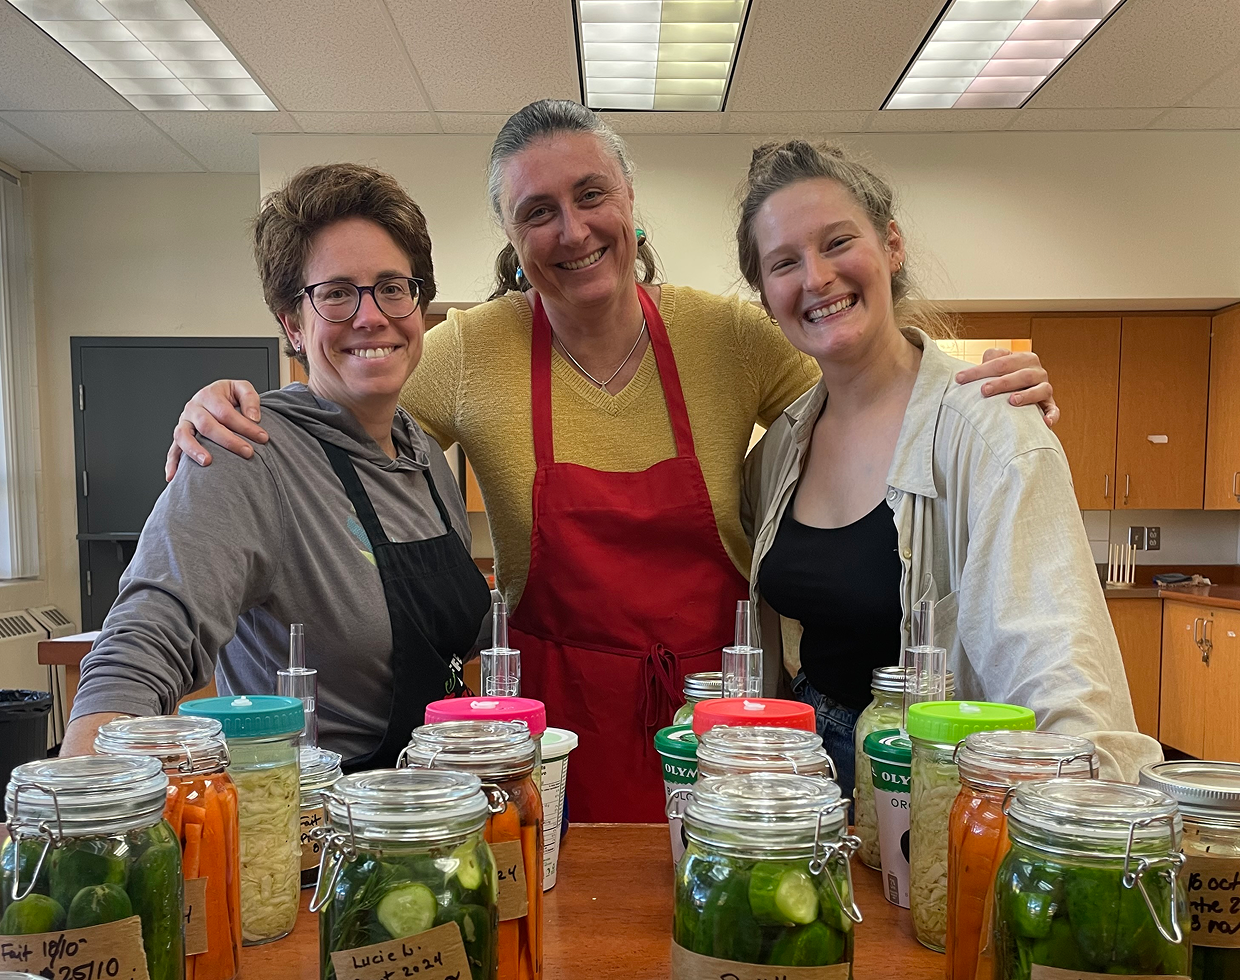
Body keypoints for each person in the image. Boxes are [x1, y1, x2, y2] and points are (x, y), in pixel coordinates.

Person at [164, 101, 1057, 821]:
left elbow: (865, 382)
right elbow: (352, 411)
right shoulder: (472, 348)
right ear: (512, 239)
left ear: (630, 200)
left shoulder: (729, 335)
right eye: (536, 212)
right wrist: (237, 405)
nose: (572, 229)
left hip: (722, 726)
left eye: (592, 195)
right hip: (555, 740)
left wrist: (969, 390)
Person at [739, 140, 1158, 789]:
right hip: (803, 771)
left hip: (935, 777)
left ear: (892, 245)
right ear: (767, 298)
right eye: (784, 262)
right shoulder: (778, 452)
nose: (816, 277)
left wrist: (1078, 820)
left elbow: (1058, 664)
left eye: (837, 242)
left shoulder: (991, 425)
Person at [61, 163, 491, 766]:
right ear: (293, 322)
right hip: (315, 837)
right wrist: (87, 809)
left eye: (394, 286)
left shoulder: (424, 456)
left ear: (419, 305)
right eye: (336, 293)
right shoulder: (245, 453)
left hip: (428, 819)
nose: (372, 315)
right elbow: (146, 636)